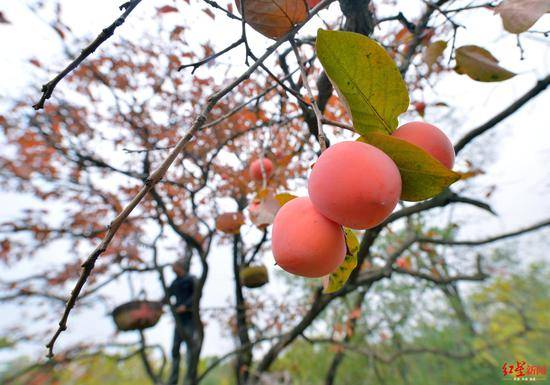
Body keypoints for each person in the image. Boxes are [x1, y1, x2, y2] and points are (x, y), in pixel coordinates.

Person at [166, 257, 196, 385]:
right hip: (179, 320)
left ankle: (189, 380)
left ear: (180, 267)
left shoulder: (191, 279)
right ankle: (173, 380)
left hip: (190, 319)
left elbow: (197, 295)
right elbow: (167, 295)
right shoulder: (175, 282)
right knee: (175, 349)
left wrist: (186, 306)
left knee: (190, 349)